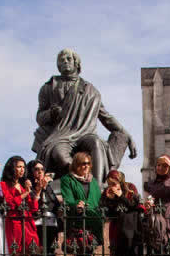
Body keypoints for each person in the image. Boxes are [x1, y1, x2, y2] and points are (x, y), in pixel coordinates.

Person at [32, 48, 137, 181]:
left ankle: (97, 186)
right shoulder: (48, 88)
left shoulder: (90, 90)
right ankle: (79, 182)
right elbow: (40, 117)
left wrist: (127, 134)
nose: (65, 61)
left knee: (96, 143)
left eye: (68, 59)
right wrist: (51, 114)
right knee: (59, 154)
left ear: (76, 63)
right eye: (61, 60)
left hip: (85, 134)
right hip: (61, 136)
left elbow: (106, 117)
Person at [61, 152, 103, 256]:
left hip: (92, 222)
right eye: (82, 163)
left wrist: (89, 206)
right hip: (77, 221)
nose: (85, 166)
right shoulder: (68, 179)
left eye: (87, 163)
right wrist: (76, 204)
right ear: (76, 165)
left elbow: (97, 200)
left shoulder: (93, 181)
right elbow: (67, 198)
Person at [100, 169, 144, 256]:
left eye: (114, 183)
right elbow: (108, 214)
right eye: (109, 183)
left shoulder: (131, 188)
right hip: (118, 232)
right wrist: (110, 200)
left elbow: (134, 206)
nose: (111, 186)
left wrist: (120, 196)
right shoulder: (107, 193)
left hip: (133, 232)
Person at [1, 156, 40, 256]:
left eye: (23, 167)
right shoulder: (4, 184)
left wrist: (36, 191)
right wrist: (24, 194)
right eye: (19, 167)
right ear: (12, 168)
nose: (22, 170)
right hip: (15, 222)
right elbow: (10, 203)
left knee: (36, 252)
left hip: (27, 222)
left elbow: (33, 207)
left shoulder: (23, 185)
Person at [27, 159, 61, 256]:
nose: (40, 172)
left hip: (51, 225)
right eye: (36, 169)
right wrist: (38, 189)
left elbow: (56, 205)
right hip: (37, 225)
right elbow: (31, 204)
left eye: (42, 169)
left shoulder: (50, 187)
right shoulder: (28, 186)